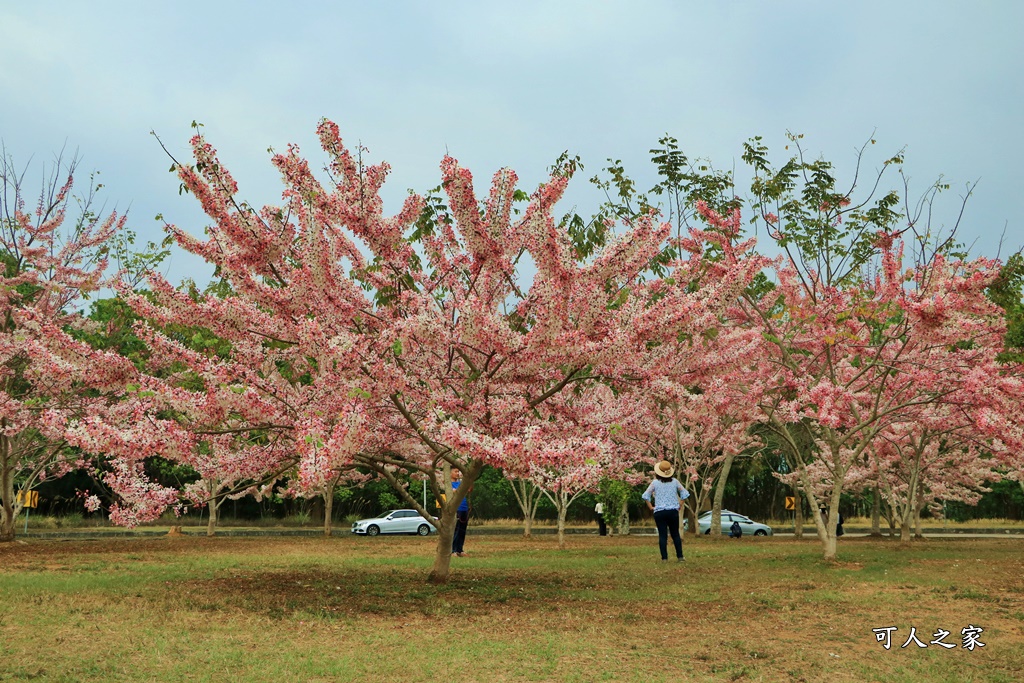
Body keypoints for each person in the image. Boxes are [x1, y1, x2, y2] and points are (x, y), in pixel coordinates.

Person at [642, 460, 689, 562]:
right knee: (675, 534)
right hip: (673, 511)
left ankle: (664, 558)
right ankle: (680, 557)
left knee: (662, 535)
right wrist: (679, 505)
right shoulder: (675, 482)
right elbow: (684, 493)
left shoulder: (654, 483)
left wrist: (651, 507)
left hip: (659, 512)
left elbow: (646, 496)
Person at [451, 469, 471, 557]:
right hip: (456, 509)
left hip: (464, 508)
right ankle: (453, 550)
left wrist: (470, 479)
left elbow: (470, 489)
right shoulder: (448, 485)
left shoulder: (461, 483)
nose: (457, 473)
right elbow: (456, 492)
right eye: (455, 471)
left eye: (458, 471)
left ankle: (460, 549)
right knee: (456, 530)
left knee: (462, 530)